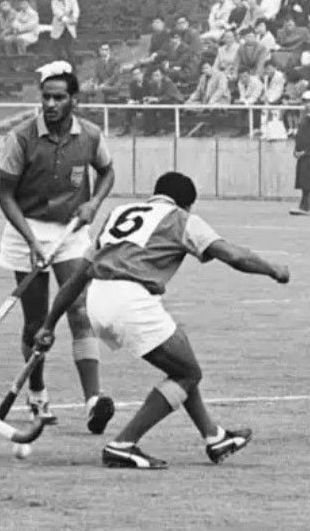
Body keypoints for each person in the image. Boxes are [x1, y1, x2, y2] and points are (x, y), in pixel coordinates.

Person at [35, 171, 290, 469]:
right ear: (186, 204)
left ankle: (213, 437)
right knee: (187, 373)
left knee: (181, 364)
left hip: (98, 299)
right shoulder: (182, 219)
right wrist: (273, 269)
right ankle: (123, 444)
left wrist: (48, 325)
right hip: (130, 300)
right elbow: (233, 256)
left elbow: (78, 278)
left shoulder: (119, 213)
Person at [0, 60, 115, 431]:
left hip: (71, 230)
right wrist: (30, 240)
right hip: (25, 228)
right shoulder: (21, 137)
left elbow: (107, 171)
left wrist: (93, 203)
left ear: (73, 101)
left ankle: (93, 400)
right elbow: (4, 195)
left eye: (59, 98)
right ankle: (37, 391)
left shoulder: (91, 135)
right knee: (36, 321)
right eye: (46, 97)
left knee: (79, 309)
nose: (50, 104)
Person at [291, 91, 310, 215]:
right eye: (306, 101)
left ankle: (306, 206)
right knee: (305, 182)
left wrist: (306, 151)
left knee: (308, 181)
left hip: (308, 155)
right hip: (303, 156)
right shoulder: (305, 118)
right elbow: (301, 136)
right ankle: (304, 206)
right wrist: (296, 150)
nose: (308, 104)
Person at [50, 0, 79, 65]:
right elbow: (58, 13)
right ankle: (58, 69)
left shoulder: (72, 0)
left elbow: (76, 11)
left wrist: (74, 18)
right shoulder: (54, 2)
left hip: (69, 29)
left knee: (69, 49)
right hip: (58, 29)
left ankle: (73, 69)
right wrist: (69, 20)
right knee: (57, 50)